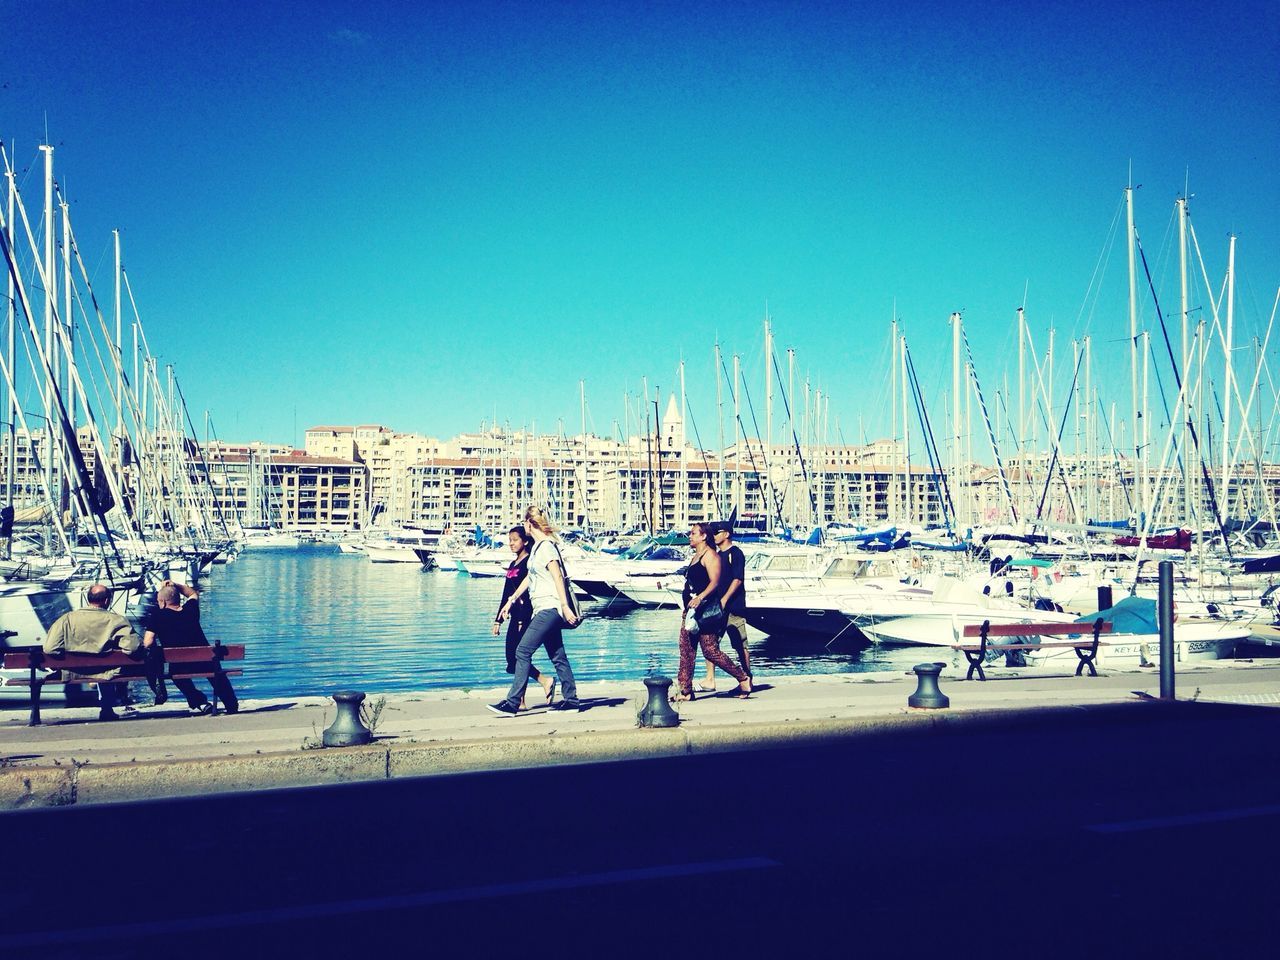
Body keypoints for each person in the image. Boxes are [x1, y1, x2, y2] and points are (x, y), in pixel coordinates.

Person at [488, 505, 582, 716]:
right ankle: (571, 700)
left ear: (530, 524)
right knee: (558, 656)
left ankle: (513, 703)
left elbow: (558, 577)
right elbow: (529, 580)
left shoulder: (547, 547)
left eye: (524, 523)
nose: (523, 527)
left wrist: (565, 607)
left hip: (551, 608)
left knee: (522, 651)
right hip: (543, 609)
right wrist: (511, 600)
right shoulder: (538, 549)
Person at [674, 522, 750, 702]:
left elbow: (715, 582)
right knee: (686, 649)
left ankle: (743, 678)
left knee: (710, 651)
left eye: (693, 533)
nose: (689, 536)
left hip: (705, 612)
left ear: (703, 536)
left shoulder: (711, 556)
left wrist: (700, 597)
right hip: (691, 611)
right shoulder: (695, 556)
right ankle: (685, 690)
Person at [43, 583, 140, 722]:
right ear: (107, 601)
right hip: (107, 671)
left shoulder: (67, 619)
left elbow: (50, 648)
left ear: (89, 599)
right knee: (108, 668)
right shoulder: (116, 620)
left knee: (104, 668)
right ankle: (107, 708)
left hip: (75, 671)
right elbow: (133, 648)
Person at [143, 579, 239, 716]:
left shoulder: (157, 615)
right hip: (204, 661)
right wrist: (175, 585)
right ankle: (231, 704)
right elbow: (193, 594)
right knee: (216, 672)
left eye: (158, 601)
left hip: (179, 665)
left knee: (176, 675)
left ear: (163, 602)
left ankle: (200, 702)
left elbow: (147, 642)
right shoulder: (191, 610)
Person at [492, 525, 556, 710]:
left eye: (515, 540)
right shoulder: (513, 565)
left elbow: (528, 592)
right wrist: (498, 619)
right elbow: (507, 594)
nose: (511, 543)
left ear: (525, 541)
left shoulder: (529, 563)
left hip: (525, 616)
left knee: (519, 656)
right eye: (509, 540)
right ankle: (544, 681)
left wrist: (522, 619)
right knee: (512, 659)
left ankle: (520, 700)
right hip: (513, 616)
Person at [714, 522, 752, 679]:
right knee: (711, 644)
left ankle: (747, 677)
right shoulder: (716, 555)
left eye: (717, 532)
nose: (714, 535)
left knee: (740, 644)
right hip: (717, 609)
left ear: (727, 534)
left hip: (734, 607)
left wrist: (724, 599)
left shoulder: (735, 553)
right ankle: (710, 679)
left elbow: (737, 580)